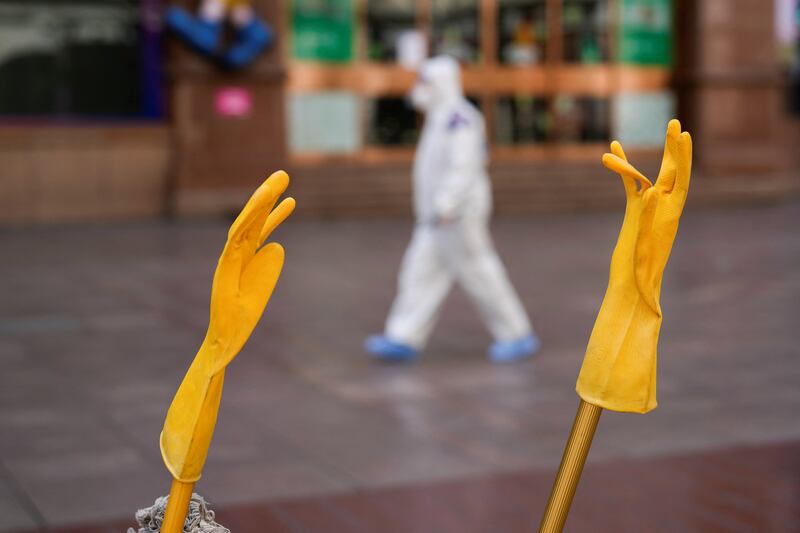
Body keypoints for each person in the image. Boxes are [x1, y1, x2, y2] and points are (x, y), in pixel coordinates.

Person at [365, 56, 539, 363]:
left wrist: (447, 203)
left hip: (457, 216)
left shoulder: (460, 118)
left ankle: (516, 333)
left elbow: (463, 167)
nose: (419, 89)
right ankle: (403, 336)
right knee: (419, 273)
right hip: (436, 217)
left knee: (479, 272)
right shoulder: (441, 118)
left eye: (425, 82)